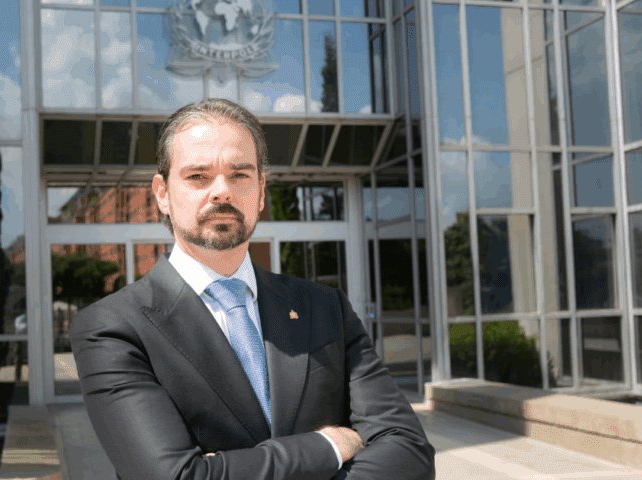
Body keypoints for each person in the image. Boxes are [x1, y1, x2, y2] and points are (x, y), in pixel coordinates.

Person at [71, 98, 435, 479]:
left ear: (261, 191)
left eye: (240, 175)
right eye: (198, 176)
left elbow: (410, 452)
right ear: (162, 193)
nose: (222, 191)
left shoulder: (326, 309)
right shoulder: (112, 329)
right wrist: (327, 446)